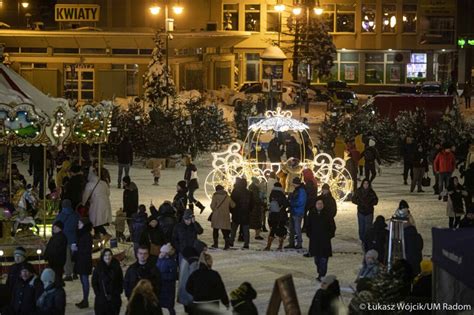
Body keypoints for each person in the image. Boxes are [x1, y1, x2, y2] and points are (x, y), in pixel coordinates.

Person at [307, 199, 334, 281]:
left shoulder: (327, 214)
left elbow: (332, 226)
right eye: (318, 203)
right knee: (317, 259)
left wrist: (329, 235)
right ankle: (320, 272)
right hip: (315, 240)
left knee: (324, 259)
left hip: (325, 240)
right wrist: (310, 235)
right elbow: (308, 225)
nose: (320, 205)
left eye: (321, 203)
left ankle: (322, 274)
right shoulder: (312, 214)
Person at [54, 199, 80, 282]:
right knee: (74, 256)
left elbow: (55, 227)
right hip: (74, 240)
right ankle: (75, 272)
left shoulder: (60, 216)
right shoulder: (76, 215)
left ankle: (68, 274)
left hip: (64, 240)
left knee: (67, 257)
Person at [92, 248, 124, 315]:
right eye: (105, 255)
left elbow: (120, 280)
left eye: (109, 255)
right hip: (102, 299)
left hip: (114, 298)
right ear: (102, 256)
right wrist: (98, 294)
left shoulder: (116, 267)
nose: (108, 257)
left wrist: (119, 291)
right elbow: (94, 282)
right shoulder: (98, 268)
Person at [83, 168, 112, 239]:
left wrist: (83, 203)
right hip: (105, 203)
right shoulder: (103, 183)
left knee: (94, 221)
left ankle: (104, 234)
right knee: (97, 221)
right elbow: (108, 193)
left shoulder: (89, 184)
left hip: (96, 205)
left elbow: (85, 196)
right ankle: (98, 235)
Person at [72, 217, 93, 309]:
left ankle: (85, 300)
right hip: (81, 260)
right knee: (82, 280)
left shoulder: (86, 235)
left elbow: (87, 249)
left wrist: (77, 249)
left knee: (84, 281)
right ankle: (85, 299)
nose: (78, 224)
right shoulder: (81, 234)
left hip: (84, 261)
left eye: (80, 223)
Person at [352, 179, 379, 244]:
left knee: (368, 228)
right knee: (361, 227)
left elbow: (376, 201)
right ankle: (362, 239)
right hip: (361, 212)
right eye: (364, 183)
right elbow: (353, 199)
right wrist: (360, 203)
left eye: (367, 184)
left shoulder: (371, 192)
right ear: (362, 184)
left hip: (369, 212)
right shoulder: (359, 191)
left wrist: (369, 203)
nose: (366, 185)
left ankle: (366, 240)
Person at [230, 177, 253, 249]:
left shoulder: (235, 192)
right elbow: (252, 204)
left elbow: (231, 202)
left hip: (236, 212)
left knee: (234, 229)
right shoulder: (249, 193)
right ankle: (246, 243)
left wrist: (232, 211)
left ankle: (231, 241)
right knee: (246, 230)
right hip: (246, 213)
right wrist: (249, 210)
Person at [266, 182, 289, 251]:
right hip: (281, 215)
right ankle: (280, 246)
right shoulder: (282, 194)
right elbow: (286, 204)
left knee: (273, 229)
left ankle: (268, 246)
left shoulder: (272, 193)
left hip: (273, 214)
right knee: (281, 229)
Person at [210, 185, 235, 249]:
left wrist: (214, 209)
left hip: (217, 215)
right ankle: (226, 244)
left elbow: (212, 205)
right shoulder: (227, 196)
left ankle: (215, 244)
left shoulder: (215, 196)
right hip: (225, 215)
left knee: (215, 230)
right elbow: (233, 205)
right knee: (225, 231)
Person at [177, 247, 201, 313]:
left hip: (183, 293)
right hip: (190, 295)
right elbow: (194, 277)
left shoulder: (183, 261)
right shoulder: (194, 262)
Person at [156, 243, 178, 315]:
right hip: (161, 286)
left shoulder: (172, 262)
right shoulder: (159, 260)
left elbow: (173, 276)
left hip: (168, 287)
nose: (161, 253)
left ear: (167, 253)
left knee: (169, 306)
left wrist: (161, 276)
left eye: (163, 252)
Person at [44, 221, 68, 286]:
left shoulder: (61, 237)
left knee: (57, 276)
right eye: (53, 227)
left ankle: (58, 288)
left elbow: (55, 249)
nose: (53, 228)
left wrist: (48, 256)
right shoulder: (55, 236)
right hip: (54, 260)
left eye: (55, 227)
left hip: (57, 261)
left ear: (60, 228)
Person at [286, 177, 307, 250]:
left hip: (298, 212)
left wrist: (291, 203)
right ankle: (291, 243)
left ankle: (299, 243)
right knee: (292, 228)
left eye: (294, 183)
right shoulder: (297, 190)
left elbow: (300, 202)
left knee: (297, 229)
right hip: (294, 211)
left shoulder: (301, 191)